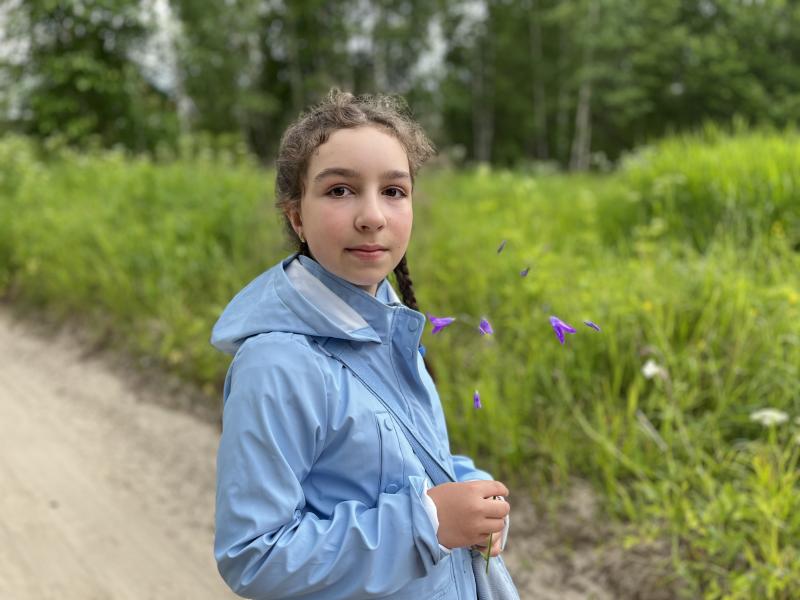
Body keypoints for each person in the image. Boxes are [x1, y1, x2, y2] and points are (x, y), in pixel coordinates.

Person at [211, 89, 513, 599]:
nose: (372, 215)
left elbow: (404, 458)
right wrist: (430, 523)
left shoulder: (388, 318)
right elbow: (254, 555)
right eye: (339, 191)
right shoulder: (277, 364)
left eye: (393, 191)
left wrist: (472, 488)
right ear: (296, 216)